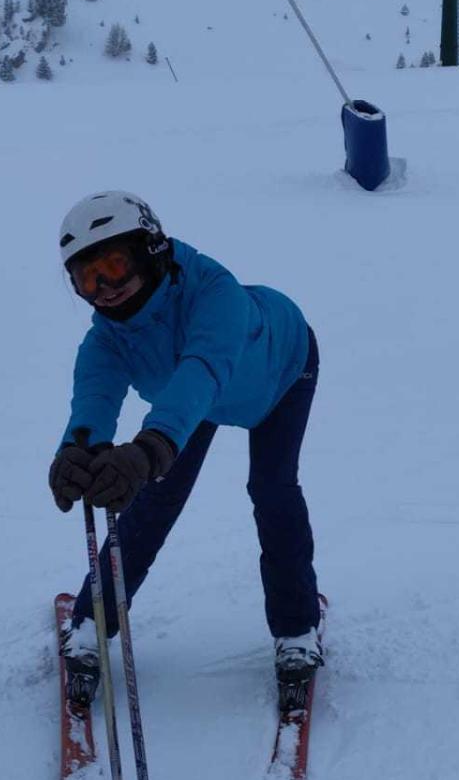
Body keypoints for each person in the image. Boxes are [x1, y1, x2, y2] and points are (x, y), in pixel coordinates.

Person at [48, 190, 322, 711]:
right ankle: (91, 623)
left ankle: (297, 630)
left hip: (281, 371)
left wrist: (149, 449)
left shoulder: (216, 295)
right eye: (87, 277)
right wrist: (77, 451)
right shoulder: (108, 338)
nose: (105, 288)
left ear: (150, 249)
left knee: (272, 489)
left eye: (114, 265)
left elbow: (203, 367)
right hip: (192, 399)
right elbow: (95, 394)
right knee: (155, 500)